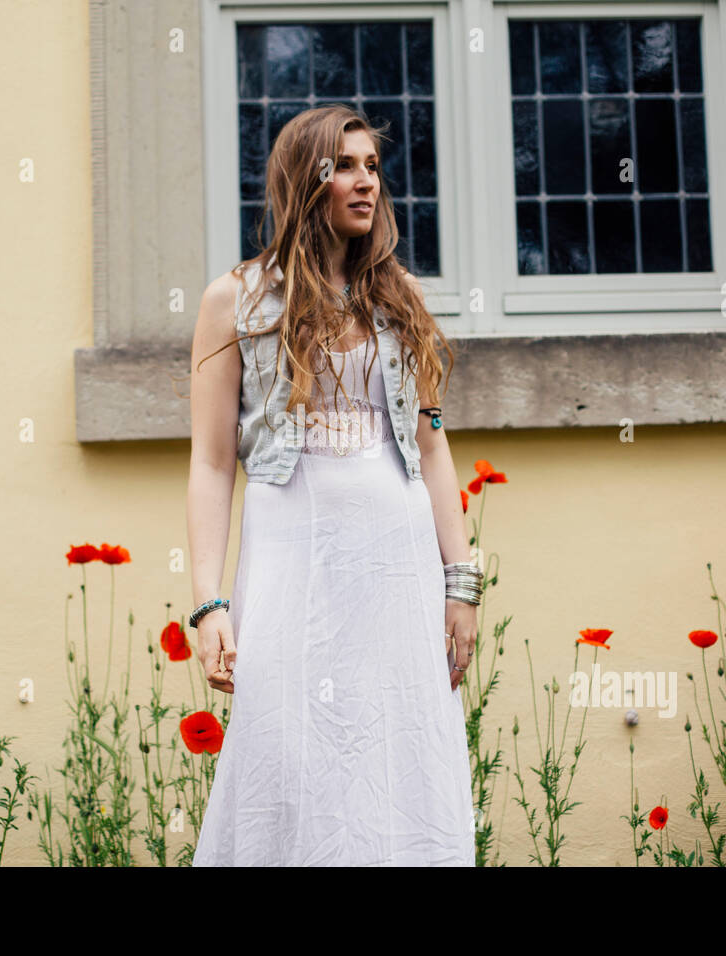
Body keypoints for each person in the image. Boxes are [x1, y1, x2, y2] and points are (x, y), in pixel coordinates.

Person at [186, 104, 482, 866]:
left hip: (398, 563)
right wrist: (208, 605)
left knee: (401, 753)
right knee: (289, 756)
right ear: (304, 180)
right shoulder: (238, 300)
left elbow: (432, 446)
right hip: (292, 564)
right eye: (344, 167)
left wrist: (461, 585)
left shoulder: (399, 297)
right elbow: (213, 463)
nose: (366, 184)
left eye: (373, 168)